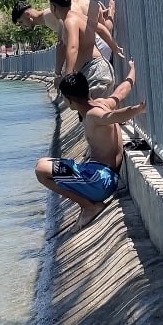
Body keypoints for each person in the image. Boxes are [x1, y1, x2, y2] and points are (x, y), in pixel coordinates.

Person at [35, 59, 146, 230]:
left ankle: (88, 206)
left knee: (41, 169)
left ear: (69, 99)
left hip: (100, 181)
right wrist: (133, 69)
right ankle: (88, 204)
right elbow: (122, 91)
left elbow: (113, 117)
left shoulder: (94, 114)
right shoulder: (102, 103)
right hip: (96, 176)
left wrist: (136, 110)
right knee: (45, 163)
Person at [49, 0, 115, 98]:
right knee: (101, 110)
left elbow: (72, 48)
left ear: (54, 7)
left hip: (93, 71)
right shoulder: (82, 15)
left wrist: (66, 77)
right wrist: (115, 48)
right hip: (99, 68)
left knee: (96, 112)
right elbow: (103, 28)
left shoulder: (68, 21)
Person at [11, 0, 123, 62]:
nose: (23, 26)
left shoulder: (49, 15)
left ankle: (111, 14)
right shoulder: (48, 17)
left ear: (27, 14)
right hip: (97, 51)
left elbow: (64, 45)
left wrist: (110, 15)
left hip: (98, 52)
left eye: (21, 22)